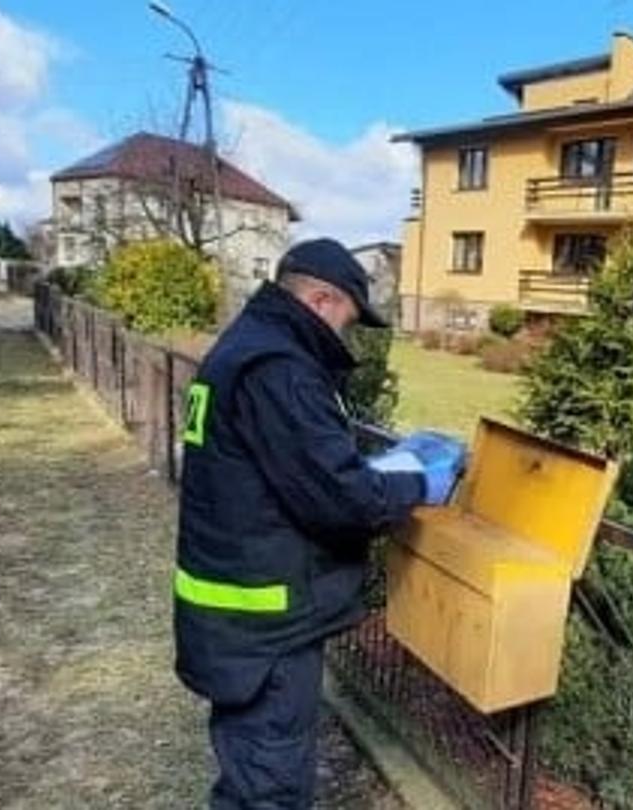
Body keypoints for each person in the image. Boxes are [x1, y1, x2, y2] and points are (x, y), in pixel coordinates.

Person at [173, 237, 464, 809]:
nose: (344, 338)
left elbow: (290, 472)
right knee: (269, 788)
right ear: (323, 300)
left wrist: (371, 468)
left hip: (235, 611)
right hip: (266, 624)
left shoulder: (244, 347)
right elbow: (341, 500)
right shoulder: (280, 368)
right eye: (349, 323)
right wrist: (419, 483)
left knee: (249, 772)